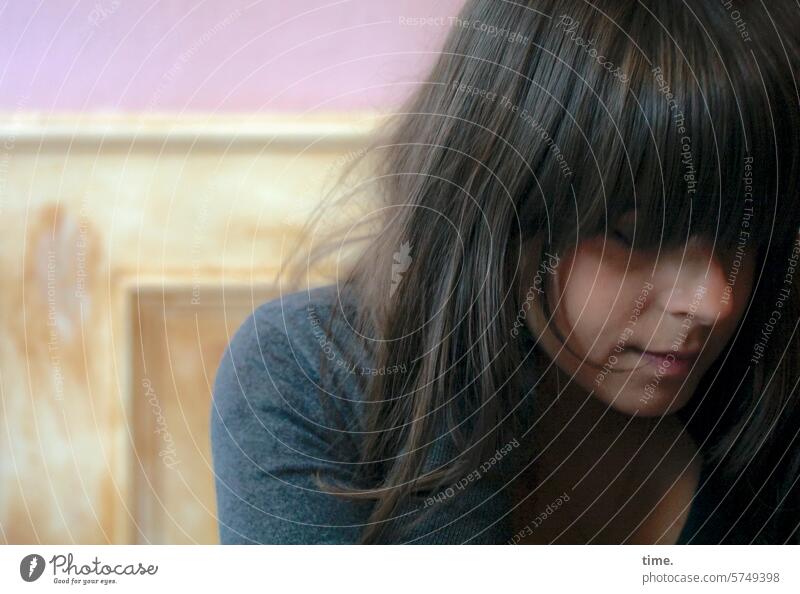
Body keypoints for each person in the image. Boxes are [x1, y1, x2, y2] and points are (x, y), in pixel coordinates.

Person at [210, 0, 800, 544]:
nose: (714, 300)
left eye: (747, 235)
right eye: (635, 234)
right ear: (500, 203)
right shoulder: (315, 375)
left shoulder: (769, 395)